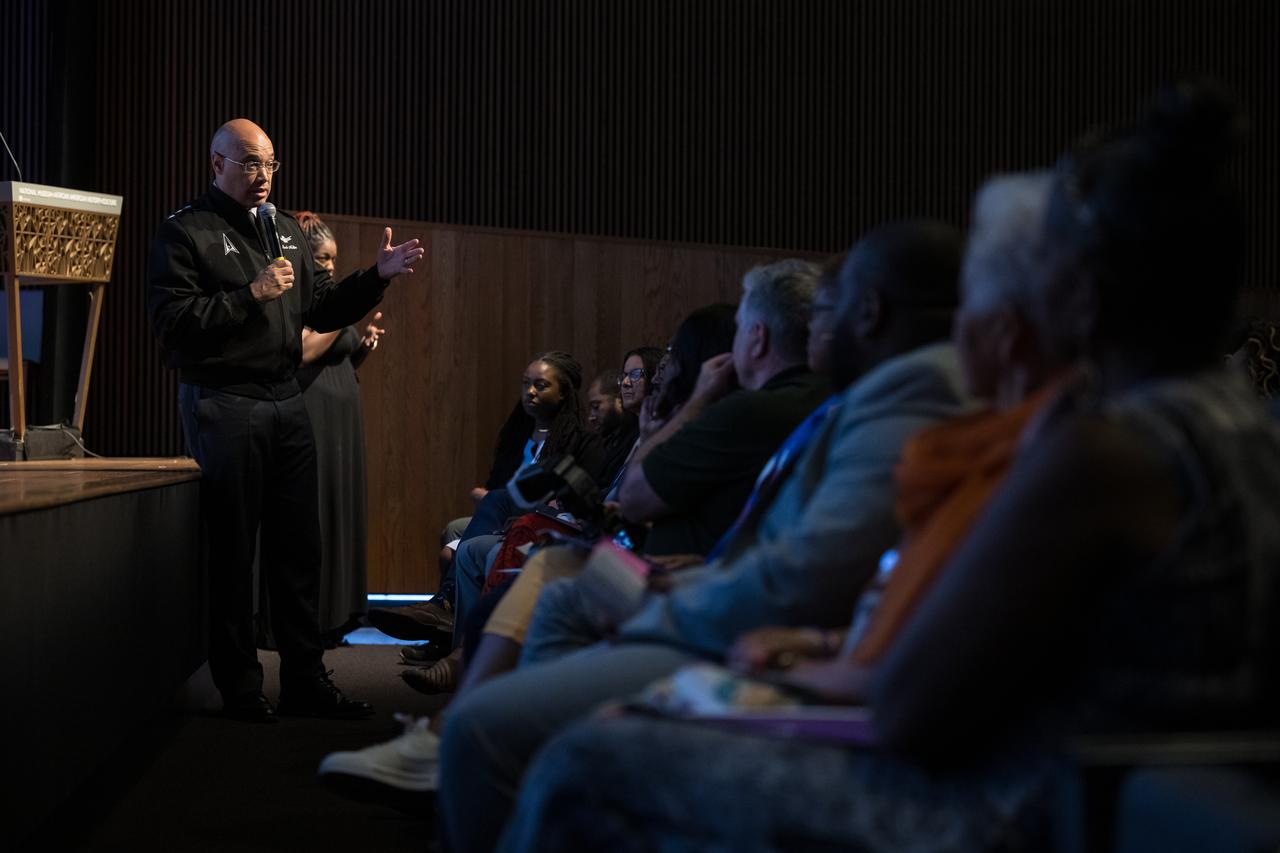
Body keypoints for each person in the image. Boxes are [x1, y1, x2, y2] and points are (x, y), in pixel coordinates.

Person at [499, 82, 1280, 851]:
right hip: (1131, 786)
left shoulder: (1103, 453)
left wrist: (758, 691)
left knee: (587, 758)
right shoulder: (1236, 423)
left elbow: (914, 706)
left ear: (1084, 283)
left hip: (1019, 800)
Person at [146, 118, 424, 723]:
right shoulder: (184, 232)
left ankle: (306, 679)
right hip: (224, 402)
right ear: (216, 164)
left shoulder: (284, 230)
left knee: (300, 549)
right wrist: (250, 294)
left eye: (270, 163)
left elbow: (322, 308)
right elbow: (173, 329)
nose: (263, 175)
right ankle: (242, 688)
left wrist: (375, 277)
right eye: (249, 163)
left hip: (285, 401)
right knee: (233, 550)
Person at [255, 211, 385, 650]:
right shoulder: (303, 299)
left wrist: (360, 346)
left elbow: (335, 360)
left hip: (340, 426)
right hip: (310, 419)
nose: (331, 265)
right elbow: (304, 350)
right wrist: (340, 323)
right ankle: (302, 622)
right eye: (324, 258)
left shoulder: (330, 303)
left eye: (334, 258)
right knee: (311, 517)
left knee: (336, 513)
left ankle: (334, 616)